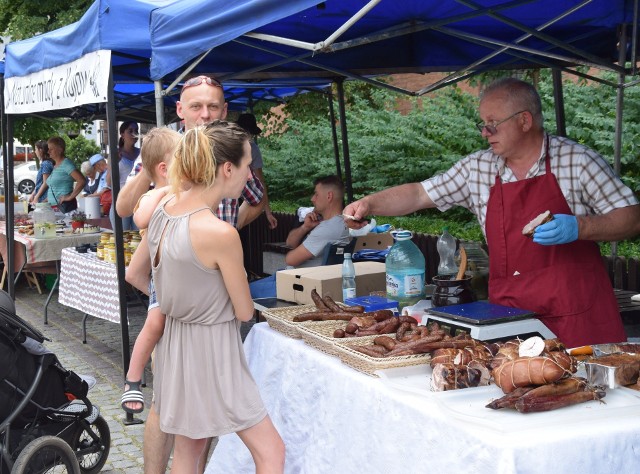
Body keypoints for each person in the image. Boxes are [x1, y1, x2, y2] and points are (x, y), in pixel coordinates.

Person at [344, 77, 640, 348]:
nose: (485, 132)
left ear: (524, 120)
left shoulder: (578, 161)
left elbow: (631, 218)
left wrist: (579, 227)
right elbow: (419, 193)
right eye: (482, 124)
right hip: (509, 320)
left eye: (493, 124)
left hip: (577, 316)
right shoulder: (478, 168)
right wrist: (370, 203)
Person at [115, 75, 266, 474]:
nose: (205, 113)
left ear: (224, 110)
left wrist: (230, 233)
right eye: (196, 106)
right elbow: (125, 208)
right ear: (180, 110)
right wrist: (156, 172)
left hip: (216, 291)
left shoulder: (233, 148)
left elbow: (256, 196)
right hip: (177, 296)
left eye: (213, 106)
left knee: (202, 414)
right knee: (169, 404)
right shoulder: (167, 148)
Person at [145, 121, 285, 474]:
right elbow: (242, 311)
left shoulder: (163, 215)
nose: (250, 175)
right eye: (247, 165)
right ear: (227, 169)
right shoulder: (220, 233)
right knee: (272, 452)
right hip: (213, 351)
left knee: (188, 455)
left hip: (176, 346)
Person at [121, 128, 180, 415]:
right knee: (155, 322)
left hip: (179, 277)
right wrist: (168, 190)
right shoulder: (155, 194)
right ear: (165, 169)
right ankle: (133, 377)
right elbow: (139, 215)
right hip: (164, 274)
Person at [249, 175, 350, 298]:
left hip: (297, 285)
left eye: (316, 194)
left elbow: (290, 259)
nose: (312, 199)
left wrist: (297, 250)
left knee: (244, 292)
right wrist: (305, 227)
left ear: (329, 196)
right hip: (295, 277)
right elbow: (290, 243)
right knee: (249, 287)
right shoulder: (342, 223)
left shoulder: (328, 229)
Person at [237, 113, 278, 229]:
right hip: (243, 198)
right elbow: (259, 181)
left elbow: (259, 180)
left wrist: (268, 212)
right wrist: (267, 212)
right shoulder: (252, 148)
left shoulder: (227, 144)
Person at [108, 121, 140, 229]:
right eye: (130, 131)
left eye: (136, 131)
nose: (134, 134)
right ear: (122, 134)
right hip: (121, 201)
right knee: (122, 240)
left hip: (139, 203)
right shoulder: (115, 153)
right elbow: (108, 182)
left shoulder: (142, 152)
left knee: (140, 239)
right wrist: (115, 163)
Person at [45, 137, 85, 213]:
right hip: (55, 208)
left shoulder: (66, 164)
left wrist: (70, 197)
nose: (48, 151)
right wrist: (46, 200)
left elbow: (81, 180)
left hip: (64, 208)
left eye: (51, 149)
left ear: (60, 150)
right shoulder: (56, 165)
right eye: (48, 149)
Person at [29, 140, 53, 204]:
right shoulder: (45, 163)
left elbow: (46, 183)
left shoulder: (46, 164)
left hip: (45, 198)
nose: (35, 151)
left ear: (41, 150)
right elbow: (40, 183)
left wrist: (36, 197)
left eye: (36, 149)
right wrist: (33, 194)